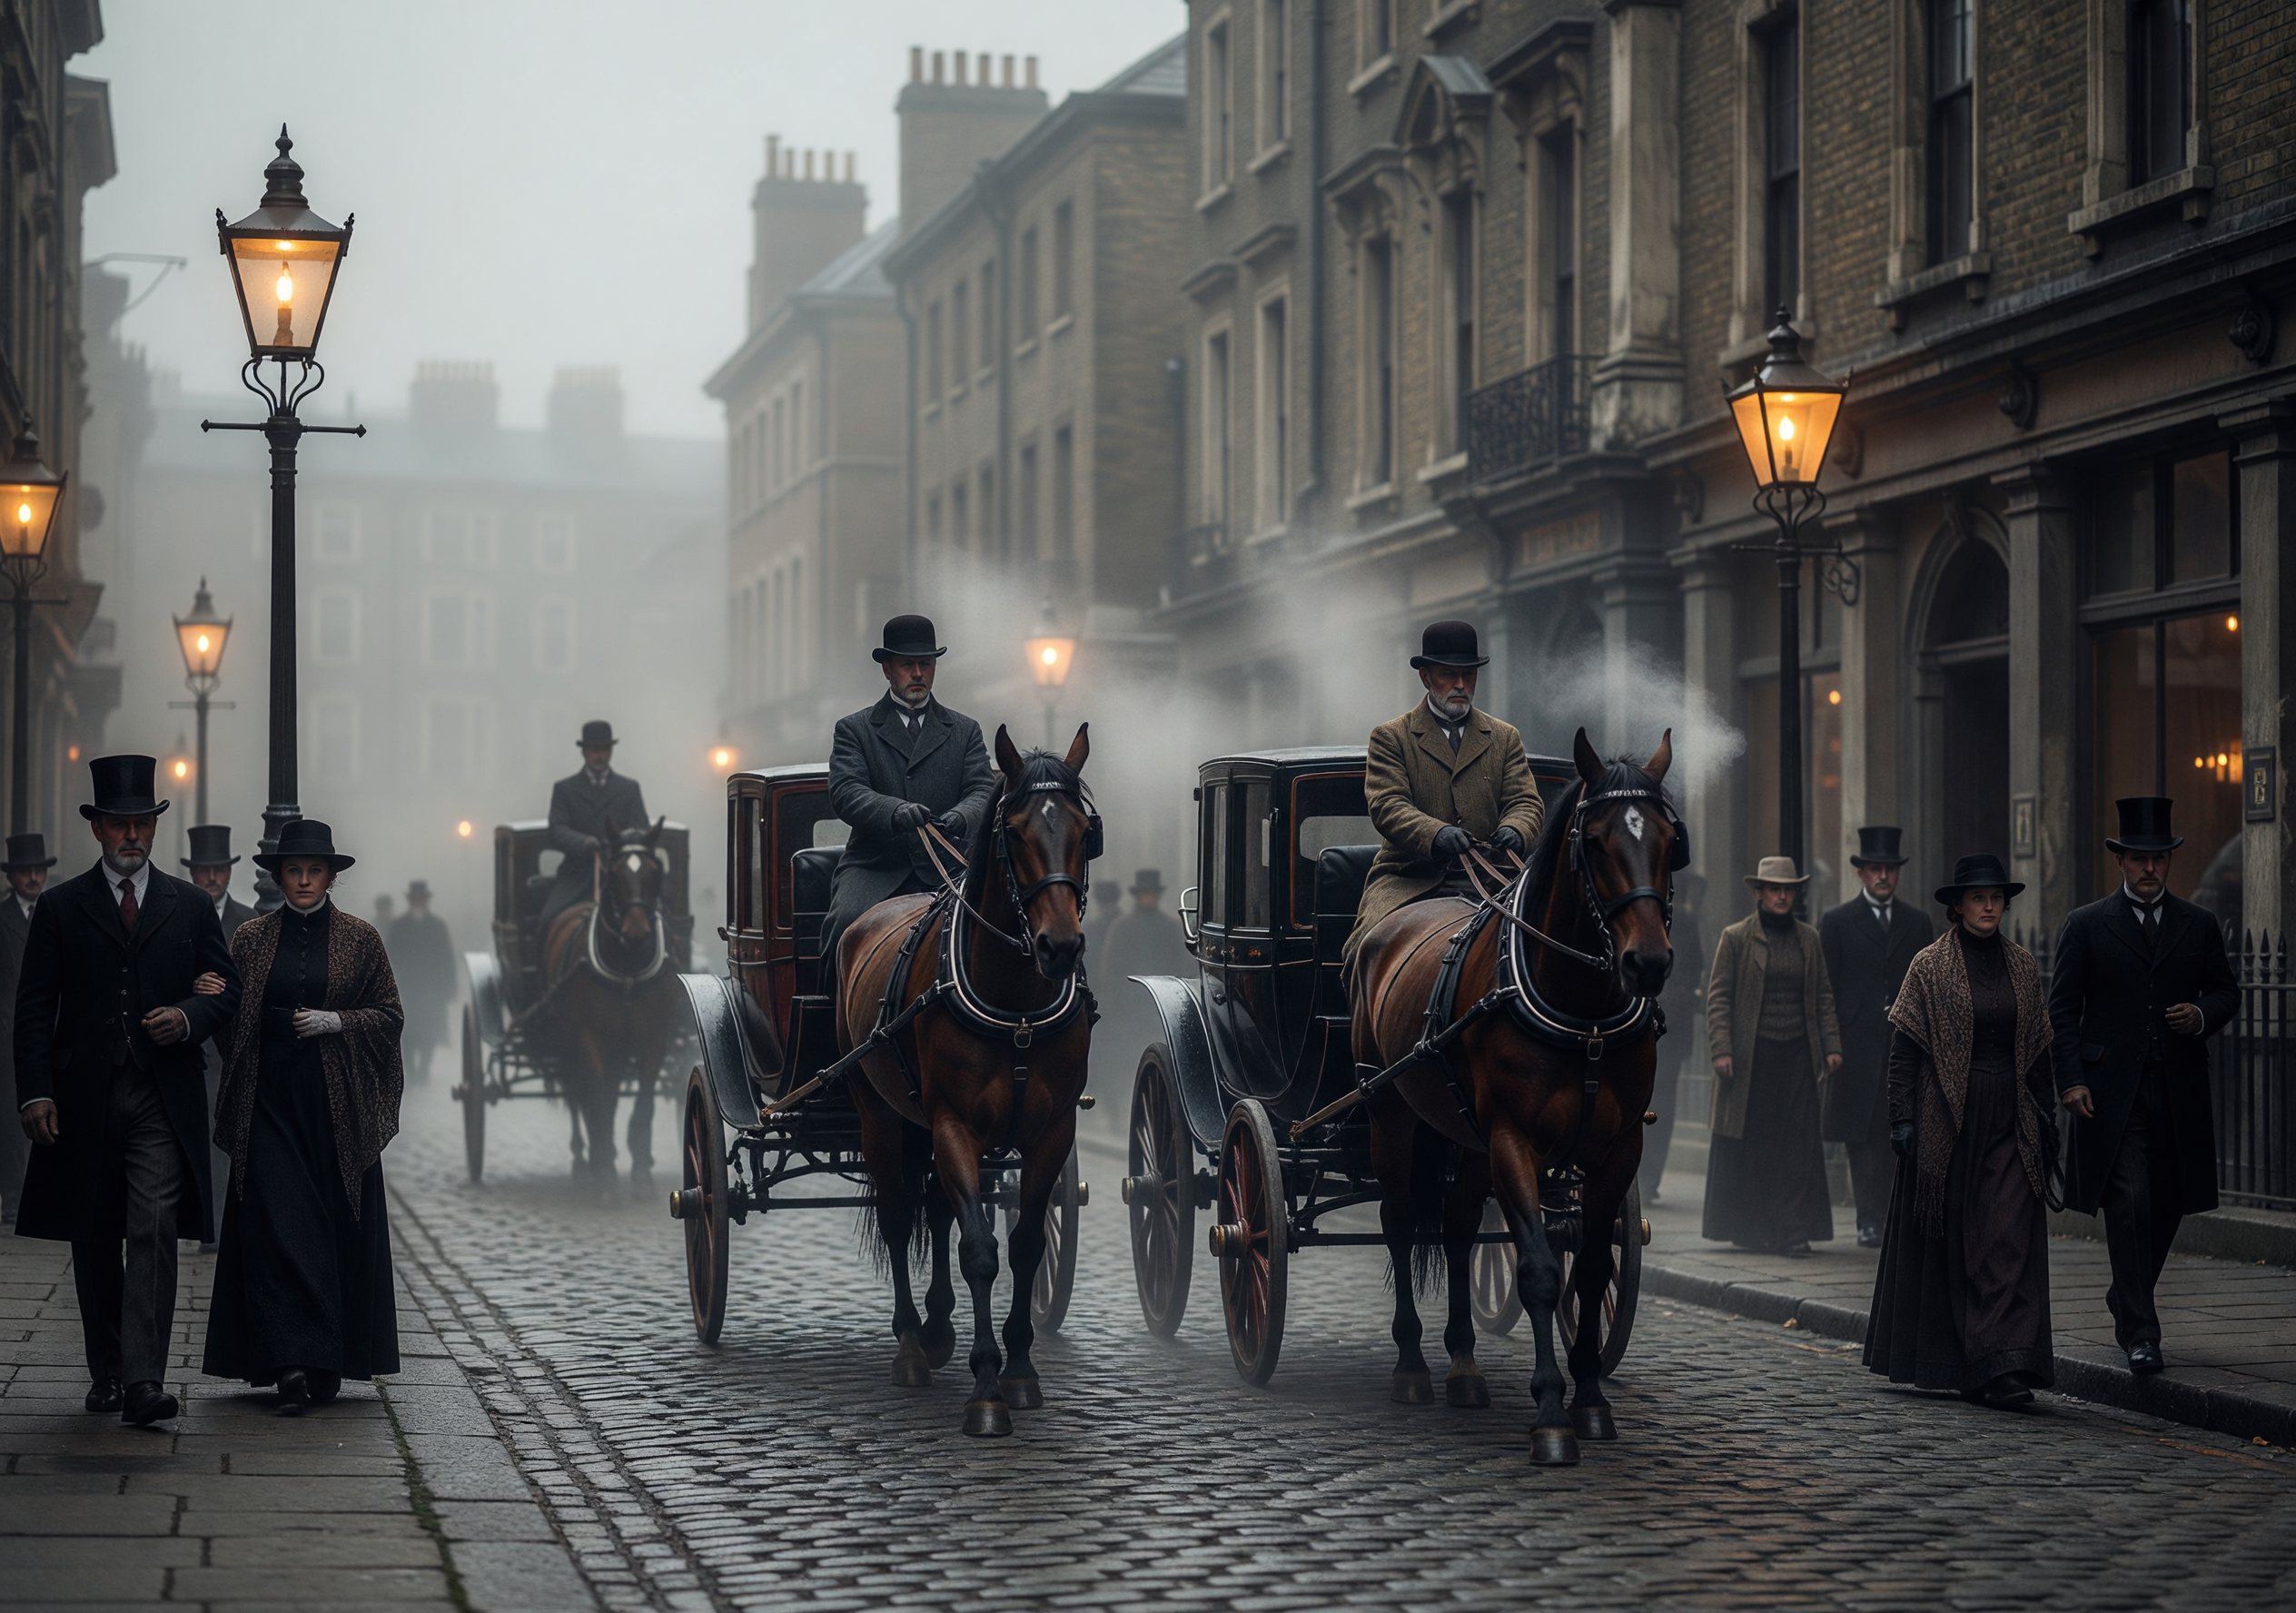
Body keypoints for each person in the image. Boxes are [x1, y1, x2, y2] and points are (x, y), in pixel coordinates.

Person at [12, 756, 242, 1426]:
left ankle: (145, 1380)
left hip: (161, 1096)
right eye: (119, 824)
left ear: (154, 829)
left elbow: (224, 991)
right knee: (93, 1233)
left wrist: (188, 1017)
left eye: (142, 822)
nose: (131, 834)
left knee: (152, 1225)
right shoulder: (59, 908)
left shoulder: (191, 905)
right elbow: (33, 1009)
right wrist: (35, 1092)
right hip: (81, 1096)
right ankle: (107, 1373)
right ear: (98, 831)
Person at [203, 818, 403, 1415]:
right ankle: (288, 1365)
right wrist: (211, 996)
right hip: (267, 1102)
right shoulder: (250, 939)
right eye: (294, 870)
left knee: (328, 1226)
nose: (305, 881)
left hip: (332, 1108)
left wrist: (338, 1021)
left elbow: (390, 1017)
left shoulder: (361, 939)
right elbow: (229, 1023)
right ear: (278, 875)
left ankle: (325, 1361)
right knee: (274, 1222)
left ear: (331, 876)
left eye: (315, 871)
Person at [2047, 797, 2237, 1374]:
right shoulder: (2086, 925)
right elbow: (2061, 1010)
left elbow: (2227, 991)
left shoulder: (2198, 924)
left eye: (2158, 858)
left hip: (2177, 1087)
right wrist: (2071, 1080)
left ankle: (2126, 1293)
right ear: (2121, 862)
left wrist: (2202, 1014)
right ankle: (2140, 1332)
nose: (2149, 868)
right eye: (2138, 859)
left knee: (2171, 1200)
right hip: (2111, 1091)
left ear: (2170, 862)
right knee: (2128, 1198)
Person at [1865, 853, 2057, 1408]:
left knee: (2006, 1239)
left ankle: (2006, 1364)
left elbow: (2039, 1050)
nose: (1989, 906)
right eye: (1978, 898)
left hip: (2011, 1116)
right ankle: (1970, 1362)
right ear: (1957, 906)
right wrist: (1901, 1119)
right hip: (1949, 1118)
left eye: (1997, 897)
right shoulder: (1929, 966)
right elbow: (1903, 1053)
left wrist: (2047, 1120)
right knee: (1960, 1245)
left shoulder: (2021, 964)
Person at [1342, 620, 1544, 965]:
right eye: (1448, 675)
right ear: (1425, 677)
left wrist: (1516, 828)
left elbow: (1525, 801)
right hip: (1411, 878)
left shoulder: (1505, 736)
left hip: (1495, 879)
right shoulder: (1392, 737)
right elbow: (1387, 805)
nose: (1461, 685)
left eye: (1469, 675)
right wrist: (1437, 834)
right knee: (1367, 948)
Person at [820, 614, 995, 987]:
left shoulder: (965, 731)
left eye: (926, 664)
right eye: (907, 664)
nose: (918, 673)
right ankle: (830, 1037)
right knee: (840, 927)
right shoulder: (855, 729)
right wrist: (895, 811)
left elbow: (983, 790)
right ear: (887, 669)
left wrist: (962, 816)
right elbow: (846, 792)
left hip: (951, 870)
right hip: (876, 869)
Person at [1703, 856, 1842, 1255]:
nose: (1783, 896)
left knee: (1797, 1147)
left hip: (1799, 1056)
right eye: (1775, 889)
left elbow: (1823, 996)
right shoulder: (1736, 937)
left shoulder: (1808, 939)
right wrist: (1722, 1050)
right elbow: (1718, 999)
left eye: (1789, 889)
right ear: (1759, 893)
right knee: (1757, 1144)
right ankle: (1755, 1228)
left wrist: (1831, 1045)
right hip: (1753, 1059)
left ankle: (1792, 1230)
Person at [1820, 826, 1935, 1247]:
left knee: (1900, 1130)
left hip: (1903, 1044)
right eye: (1875, 869)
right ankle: (1868, 1219)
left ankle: (1894, 1216)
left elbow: (1927, 985)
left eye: (1889, 869)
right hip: (1856, 1046)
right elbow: (1825, 988)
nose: (1883, 876)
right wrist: (1831, 1043)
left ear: (1897, 873)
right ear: (1861, 874)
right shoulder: (1836, 922)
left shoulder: (1918, 922)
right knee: (1861, 1136)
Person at [182, 824, 255, 1252]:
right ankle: (201, 1223)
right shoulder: (178, 913)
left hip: (237, 1049)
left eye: (218, 870)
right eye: (204, 870)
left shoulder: (249, 921)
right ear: (193, 873)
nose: (211, 877)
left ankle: (220, 1231)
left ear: (229, 873)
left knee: (230, 1144)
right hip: (192, 1045)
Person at [541, 721, 649, 925]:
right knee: (547, 919)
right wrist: (584, 843)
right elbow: (556, 830)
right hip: (577, 876)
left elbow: (641, 827)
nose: (600, 755)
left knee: (659, 918)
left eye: (605, 749)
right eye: (594, 750)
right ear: (584, 752)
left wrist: (621, 841)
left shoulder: (629, 789)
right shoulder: (565, 789)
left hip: (623, 876)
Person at [1642, 871, 1707, 1205]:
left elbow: (1695, 965)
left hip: (1670, 1028)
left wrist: (1678, 996)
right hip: (1635, 1026)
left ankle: (1650, 1180)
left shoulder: (1682, 919)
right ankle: (1637, 1176)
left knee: (1663, 1105)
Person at [0, 832, 56, 1222]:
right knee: (12, 1115)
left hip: (56, 1032)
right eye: (26, 872)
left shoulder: (57, 913)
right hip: (9, 1034)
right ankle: (13, 1199)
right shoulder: (3, 920)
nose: (34, 877)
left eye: (38, 870)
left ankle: (49, 1197)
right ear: (12, 877)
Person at [386, 881, 456, 1084]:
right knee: (407, 1030)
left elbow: (447, 956)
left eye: (421, 900)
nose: (418, 903)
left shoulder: (437, 925)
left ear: (426, 901)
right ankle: (411, 1069)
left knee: (430, 1029)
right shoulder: (399, 926)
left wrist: (449, 984)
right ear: (410, 901)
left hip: (431, 986)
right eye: (415, 900)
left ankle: (425, 1066)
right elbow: (390, 956)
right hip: (407, 987)